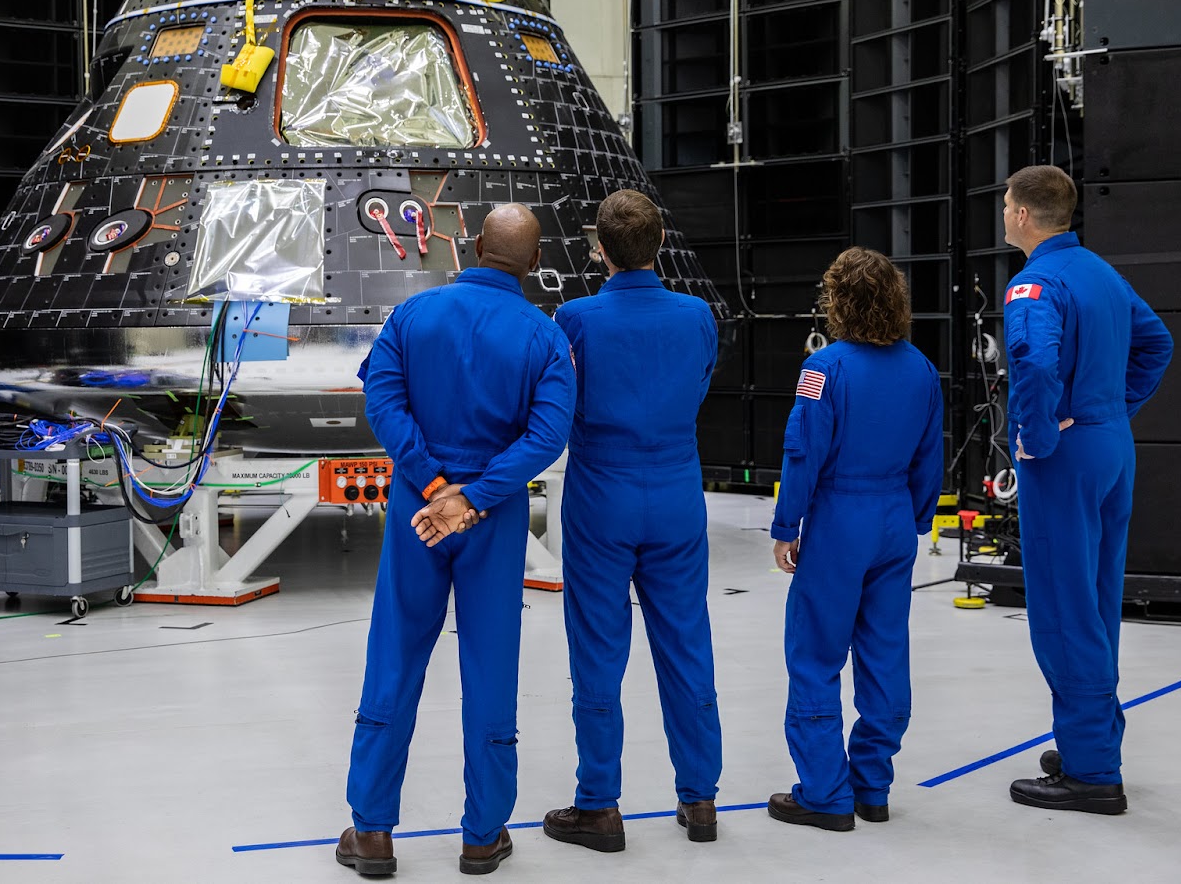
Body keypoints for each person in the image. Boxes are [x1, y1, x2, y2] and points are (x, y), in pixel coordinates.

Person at [338, 202, 576, 878]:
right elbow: (548, 436)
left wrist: (435, 483)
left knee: (395, 657)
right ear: (534, 262)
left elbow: (383, 403)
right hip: (492, 517)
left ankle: (373, 832)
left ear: (472, 247)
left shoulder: (413, 315)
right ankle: (483, 833)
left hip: (418, 510)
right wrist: (473, 496)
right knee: (491, 666)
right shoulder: (544, 336)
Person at [537, 189, 722, 853]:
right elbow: (700, 384)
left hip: (601, 496)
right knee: (686, 644)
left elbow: (560, 398)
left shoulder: (575, 317)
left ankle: (598, 806)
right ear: (662, 242)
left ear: (598, 250)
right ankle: (699, 800)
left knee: (597, 649)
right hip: (675, 491)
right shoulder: (698, 315)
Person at [1000, 165, 1172, 814]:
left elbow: (1036, 363)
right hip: (1110, 448)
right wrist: (1110, 408)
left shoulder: (1033, 286)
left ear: (1021, 214)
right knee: (1097, 603)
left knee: (1065, 610)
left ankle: (1093, 773)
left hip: (1064, 459)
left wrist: (1039, 438)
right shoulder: (1102, 273)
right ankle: (1090, 741)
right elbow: (1158, 343)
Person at [767, 247, 943, 832]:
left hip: (840, 519)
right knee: (886, 651)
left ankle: (823, 793)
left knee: (816, 654)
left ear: (837, 301)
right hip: (894, 520)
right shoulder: (920, 368)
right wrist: (916, 519)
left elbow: (803, 452)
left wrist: (786, 525)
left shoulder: (824, 368)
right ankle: (872, 786)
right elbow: (929, 455)